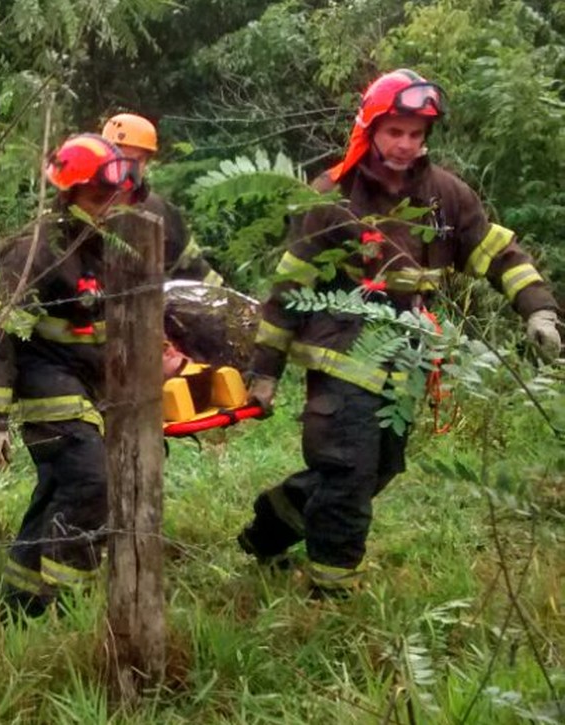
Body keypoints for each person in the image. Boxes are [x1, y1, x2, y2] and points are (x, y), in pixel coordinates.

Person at [237, 69, 561, 595]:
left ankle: (269, 528)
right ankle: (330, 594)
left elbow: (499, 254)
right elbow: (290, 289)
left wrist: (538, 310)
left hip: (406, 358)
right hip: (341, 354)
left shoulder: (446, 195)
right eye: (395, 132)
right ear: (370, 127)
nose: (406, 144)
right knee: (347, 470)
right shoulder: (332, 196)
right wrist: (265, 372)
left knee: (377, 470)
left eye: (416, 134)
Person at [0, 133, 146, 619]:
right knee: (96, 479)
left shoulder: (110, 246)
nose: (109, 205)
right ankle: (69, 601)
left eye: (114, 195)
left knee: (55, 495)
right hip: (46, 388)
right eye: (97, 196)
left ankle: (18, 609)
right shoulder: (37, 250)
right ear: (69, 195)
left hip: (91, 390)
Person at [102, 112, 223, 285]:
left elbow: (196, 273)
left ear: (147, 162)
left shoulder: (159, 211)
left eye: (137, 160)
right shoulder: (81, 203)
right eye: (119, 157)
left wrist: (228, 306)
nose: (128, 168)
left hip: (149, 307)